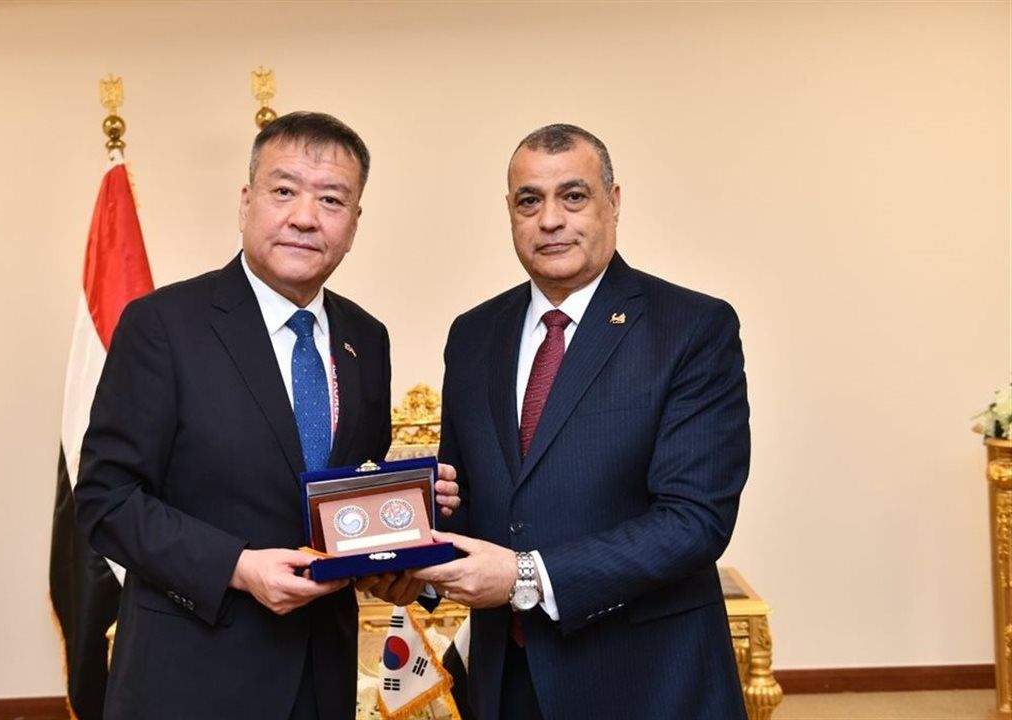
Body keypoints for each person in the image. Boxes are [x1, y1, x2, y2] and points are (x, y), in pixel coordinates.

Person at [74, 111, 452, 719]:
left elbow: (344, 502)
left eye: (331, 200)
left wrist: (406, 537)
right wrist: (238, 567)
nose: (304, 216)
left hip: (322, 677)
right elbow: (105, 500)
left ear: (354, 224)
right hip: (190, 679)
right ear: (247, 201)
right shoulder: (164, 325)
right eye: (284, 191)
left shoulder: (366, 338)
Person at [413, 124, 751, 720]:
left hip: (645, 682)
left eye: (573, 196)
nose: (550, 220)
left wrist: (525, 577)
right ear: (510, 212)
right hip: (506, 681)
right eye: (529, 201)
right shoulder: (472, 335)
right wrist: (409, 562)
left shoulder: (691, 328)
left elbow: (694, 519)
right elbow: (465, 501)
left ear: (612, 203)